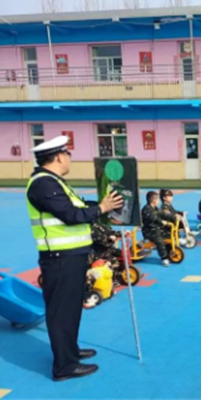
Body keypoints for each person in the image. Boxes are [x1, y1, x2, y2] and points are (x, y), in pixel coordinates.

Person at [26, 135, 123, 381]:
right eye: (67, 154)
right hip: (60, 258)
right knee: (61, 312)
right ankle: (64, 366)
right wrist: (102, 208)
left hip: (72, 256)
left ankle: (70, 351)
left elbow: (79, 206)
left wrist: (104, 204)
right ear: (59, 157)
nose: (69, 159)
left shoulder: (55, 182)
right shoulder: (43, 184)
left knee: (70, 309)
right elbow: (71, 215)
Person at [141, 191, 173, 266]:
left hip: (157, 229)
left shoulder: (155, 208)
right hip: (149, 231)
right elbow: (153, 218)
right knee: (159, 241)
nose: (159, 202)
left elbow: (161, 213)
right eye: (158, 200)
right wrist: (161, 221)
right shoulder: (146, 209)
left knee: (169, 236)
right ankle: (164, 258)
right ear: (154, 201)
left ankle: (169, 253)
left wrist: (173, 217)